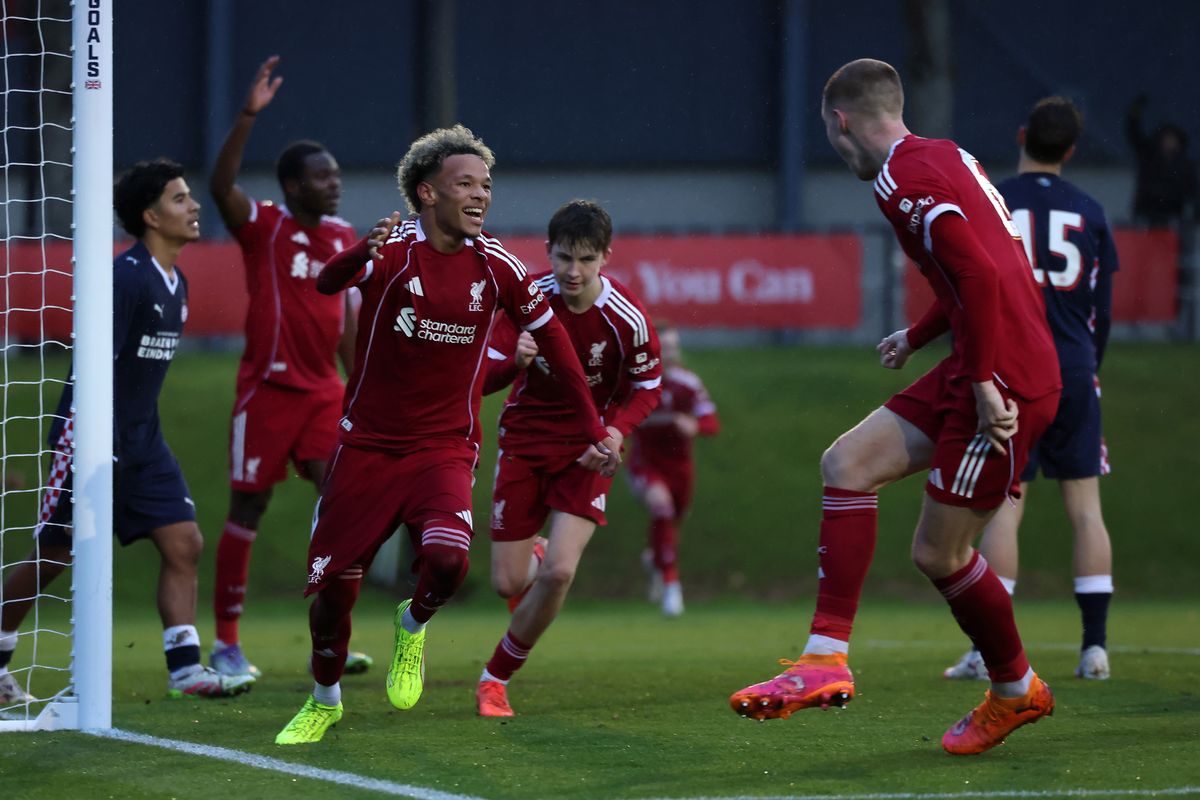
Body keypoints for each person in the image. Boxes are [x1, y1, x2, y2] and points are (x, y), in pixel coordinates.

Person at [728, 59, 1062, 756]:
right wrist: (917, 336)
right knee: (846, 463)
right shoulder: (944, 157)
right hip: (981, 360)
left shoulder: (902, 183)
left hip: (1004, 377)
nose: (833, 145)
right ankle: (824, 657)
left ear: (840, 121)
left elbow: (979, 275)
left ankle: (1016, 689)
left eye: (829, 133)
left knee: (940, 553)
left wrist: (980, 381)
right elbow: (983, 268)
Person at [274, 126, 620, 744]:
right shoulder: (391, 252)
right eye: (466, 184)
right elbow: (327, 285)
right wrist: (358, 253)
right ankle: (324, 700)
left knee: (448, 560)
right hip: (366, 448)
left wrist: (594, 426)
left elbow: (561, 350)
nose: (481, 194)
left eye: (486, 185)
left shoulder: (499, 267)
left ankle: (413, 623)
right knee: (332, 598)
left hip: (444, 448)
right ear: (427, 193)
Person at [0, 159, 254, 703]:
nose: (193, 207)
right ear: (150, 216)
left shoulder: (177, 282)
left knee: (184, 542)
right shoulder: (126, 278)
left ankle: (186, 671)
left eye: (190, 196)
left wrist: (132, 440)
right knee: (57, 551)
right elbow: (96, 372)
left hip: (143, 438)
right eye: (180, 199)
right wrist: (100, 447)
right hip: (89, 433)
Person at [942, 97, 1117, 683]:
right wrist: (1087, 369)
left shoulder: (996, 202)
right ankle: (1095, 648)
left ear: (1021, 135)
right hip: (1072, 371)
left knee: (1005, 508)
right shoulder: (1090, 212)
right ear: (1070, 149)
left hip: (1014, 370)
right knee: (1086, 511)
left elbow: (968, 283)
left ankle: (986, 650)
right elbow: (1102, 312)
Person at [208, 55, 371, 679]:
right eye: (322, 176)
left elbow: (349, 321)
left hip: (324, 395)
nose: (334, 183)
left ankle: (329, 636)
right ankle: (226, 644)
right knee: (248, 510)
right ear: (293, 185)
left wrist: (358, 386)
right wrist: (249, 115)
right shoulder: (265, 228)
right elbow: (221, 187)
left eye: (334, 175)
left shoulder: (340, 235)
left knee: (341, 503)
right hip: (267, 392)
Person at [474, 200, 662, 717]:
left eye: (584, 259)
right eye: (563, 258)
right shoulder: (526, 300)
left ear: (605, 256)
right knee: (508, 584)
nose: (572, 271)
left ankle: (495, 678)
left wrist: (617, 432)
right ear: (548, 253)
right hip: (525, 444)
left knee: (560, 572)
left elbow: (648, 386)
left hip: (586, 453)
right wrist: (514, 361)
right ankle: (531, 555)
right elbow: (483, 378)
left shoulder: (628, 317)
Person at [626, 320, 720, 617]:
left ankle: (655, 559)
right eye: (663, 348)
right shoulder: (634, 384)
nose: (669, 353)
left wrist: (694, 424)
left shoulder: (687, 384)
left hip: (681, 469)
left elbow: (711, 421)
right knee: (661, 507)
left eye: (673, 348)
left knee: (670, 522)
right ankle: (671, 587)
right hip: (645, 465)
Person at [1125, 95, 1198, 228]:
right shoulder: (1148, 156)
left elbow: (1193, 192)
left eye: (1173, 138)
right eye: (1167, 138)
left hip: (1173, 217)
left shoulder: (1185, 165)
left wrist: (1195, 215)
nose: (1170, 142)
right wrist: (1135, 111)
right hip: (1146, 214)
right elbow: (1133, 133)